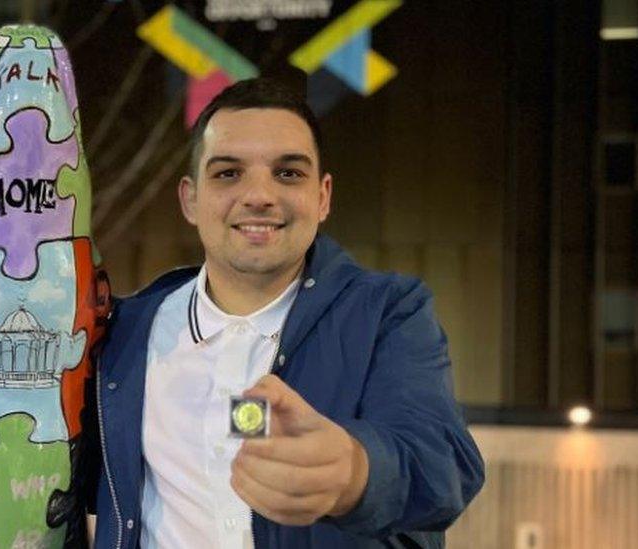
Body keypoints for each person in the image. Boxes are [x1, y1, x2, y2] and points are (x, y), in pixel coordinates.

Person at [87, 77, 484, 548]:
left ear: (323, 196)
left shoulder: (388, 314)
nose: (259, 195)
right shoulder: (126, 329)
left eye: (288, 173)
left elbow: (444, 465)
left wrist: (356, 471)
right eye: (228, 173)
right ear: (190, 199)